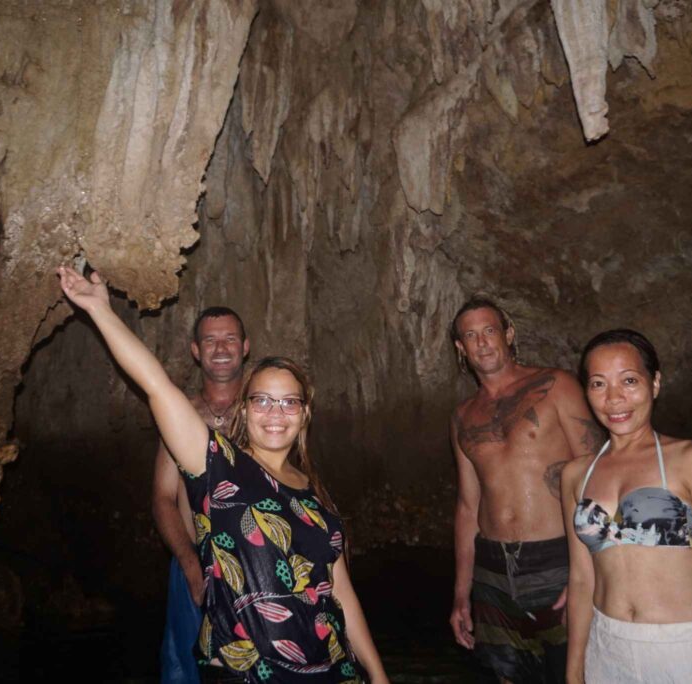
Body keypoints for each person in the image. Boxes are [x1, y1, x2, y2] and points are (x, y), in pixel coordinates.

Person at [57, 266, 388, 683]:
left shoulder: (316, 495)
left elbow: (341, 594)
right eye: (263, 400)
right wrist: (100, 310)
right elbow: (158, 388)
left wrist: (377, 675)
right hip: (250, 671)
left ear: (304, 415)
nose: (275, 413)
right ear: (244, 410)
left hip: (332, 670)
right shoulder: (218, 467)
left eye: (289, 402)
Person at [560, 329, 692, 684]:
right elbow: (581, 580)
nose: (614, 398)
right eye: (599, 384)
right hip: (606, 648)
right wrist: (574, 672)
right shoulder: (576, 475)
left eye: (629, 380)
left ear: (655, 383)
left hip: (686, 648)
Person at [449, 295, 604, 684]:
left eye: (490, 331)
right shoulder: (463, 416)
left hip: (556, 559)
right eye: (471, 336)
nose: (482, 342)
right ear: (461, 349)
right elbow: (469, 507)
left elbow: (597, 477)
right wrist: (461, 593)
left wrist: (588, 570)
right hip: (492, 571)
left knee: (574, 673)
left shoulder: (556, 386)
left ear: (509, 334)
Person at [154, 306, 249, 683]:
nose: (220, 348)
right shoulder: (179, 415)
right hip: (196, 564)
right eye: (210, 340)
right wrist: (191, 563)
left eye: (229, 339)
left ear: (245, 347)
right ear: (196, 350)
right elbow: (162, 497)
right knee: (186, 668)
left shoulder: (267, 413)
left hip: (257, 562)